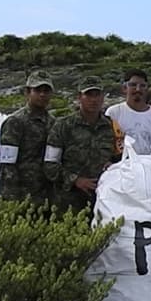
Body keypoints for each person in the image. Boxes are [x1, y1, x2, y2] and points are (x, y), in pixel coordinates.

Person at [44, 77, 122, 214]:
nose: (93, 100)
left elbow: (120, 160)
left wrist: (112, 166)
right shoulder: (63, 126)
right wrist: (76, 180)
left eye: (97, 95)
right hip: (69, 203)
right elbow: (50, 165)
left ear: (103, 97)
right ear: (79, 97)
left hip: (104, 201)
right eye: (88, 95)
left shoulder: (112, 126)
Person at [0, 70, 57, 205]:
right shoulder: (15, 122)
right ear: (27, 92)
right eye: (37, 90)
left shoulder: (54, 123)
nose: (42, 95)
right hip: (22, 196)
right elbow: (7, 166)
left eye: (46, 91)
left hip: (47, 195)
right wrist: (11, 201)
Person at [106, 69, 151, 155]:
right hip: (121, 164)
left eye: (142, 86)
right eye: (133, 85)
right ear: (125, 88)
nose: (138, 89)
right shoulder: (114, 112)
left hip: (149, 163)